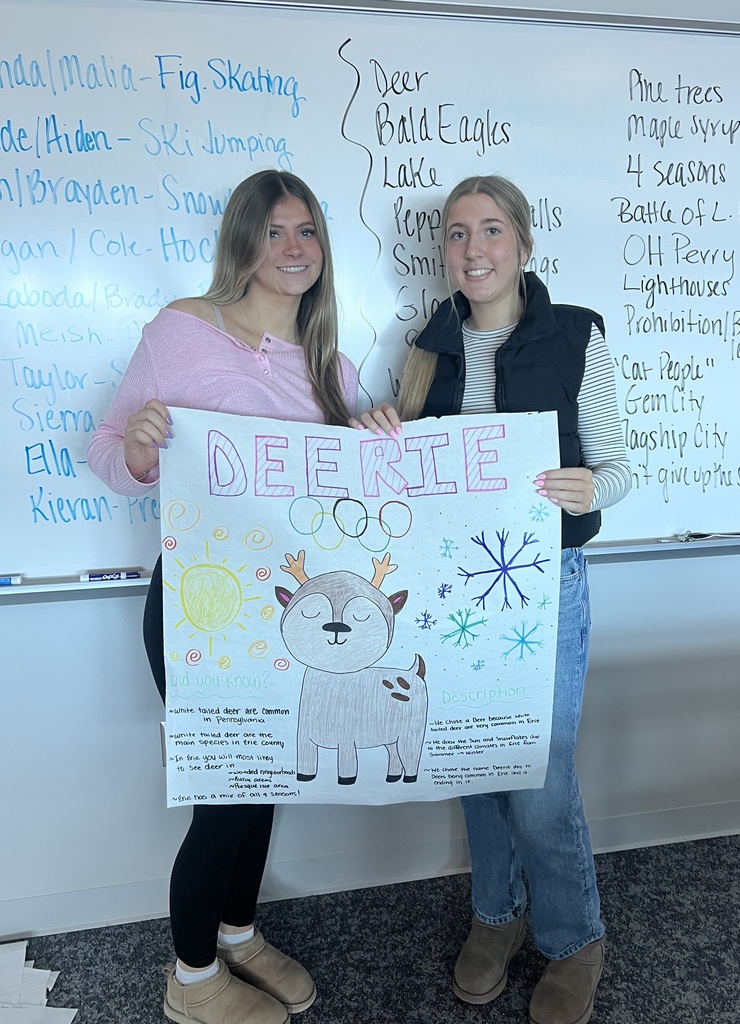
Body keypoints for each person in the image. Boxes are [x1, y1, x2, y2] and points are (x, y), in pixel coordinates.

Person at [353, 174, 631, 1024]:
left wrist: (591, 490)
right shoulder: (425, 347)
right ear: (444, 251)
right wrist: (377, 435)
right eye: (457, 235)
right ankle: (496, 918)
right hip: (452, 590)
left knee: (540, 773)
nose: (474, 250)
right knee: (472, 759)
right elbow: (398, 483)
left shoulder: (576, 335)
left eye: (492, 231)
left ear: (523, 243)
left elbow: (616, 470)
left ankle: (574, 936)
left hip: (546, 583)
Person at [88, 169, 358, 1024]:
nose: (293, 249)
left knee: (265, 780)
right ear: (241, 241)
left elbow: (353, 504)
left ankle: (239, 934)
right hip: (200, 606)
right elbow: (107, 447)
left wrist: (380, 434)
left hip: (288, 614)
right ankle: (191, 978)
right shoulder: (181, 330)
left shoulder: (333, 368)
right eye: (274, 231)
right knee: (227, 790)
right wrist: (135, 448)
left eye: (307, 232)